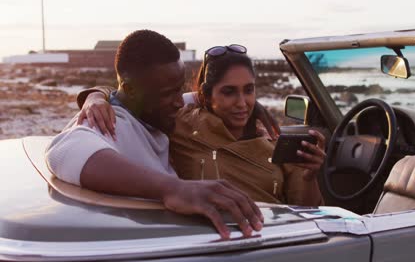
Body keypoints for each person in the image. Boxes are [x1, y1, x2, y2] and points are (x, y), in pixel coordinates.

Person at [46, 30, 264, 240]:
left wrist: (252, 107)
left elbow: (197, 98)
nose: (179, 101)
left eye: (180, 88)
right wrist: (173, 188)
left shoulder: (153, 109)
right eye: (169, 93)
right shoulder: (109, 122)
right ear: (130, 90)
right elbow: (65, 151)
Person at [77, 44, 325, 206]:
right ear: (206, 95)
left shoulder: (275, 145)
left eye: (249, 91)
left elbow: (306, 213)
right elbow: (134, 99)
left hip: (276, 240)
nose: (242, 103)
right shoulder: (180, 123)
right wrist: (95, 95)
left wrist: (310, 175)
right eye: (229, 92)